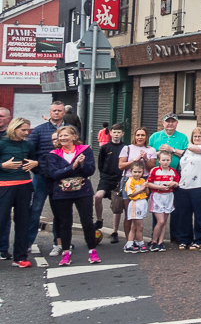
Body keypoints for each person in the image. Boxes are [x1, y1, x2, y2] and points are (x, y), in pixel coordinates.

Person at [45, 126, 99, 266]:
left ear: (74, 137)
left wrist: (81, 165)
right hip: (61, 192)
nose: (62, 138)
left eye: (65, 135)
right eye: (60, 136)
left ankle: (92, 251)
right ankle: (65, 254)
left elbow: (90, 171)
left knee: (87, 221)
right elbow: (54, 174)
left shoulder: (85, 150)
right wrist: (73, 167)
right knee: (64, 223)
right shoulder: (53, 154)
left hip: (83, 191)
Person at [26, 101, 67, 250]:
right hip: (41, 177)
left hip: (61, 178)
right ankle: (27, 242)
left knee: (60, 211)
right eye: (54, 110)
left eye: (59, 110)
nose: (56, 113)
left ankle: (59, 242)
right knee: (35, 209)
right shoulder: (38, 130)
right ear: (50, 112)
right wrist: (37, 170)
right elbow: (30, 152)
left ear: (64, 112)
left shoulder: (71, 129)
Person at [0, 117, 39, 267]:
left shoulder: (28, 145)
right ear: (14, 128)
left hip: (25, 186)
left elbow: (35, 167)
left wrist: (36, 163)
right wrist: (3, 165)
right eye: (23, 130)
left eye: (28, 130)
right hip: (5, 186)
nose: (26, 133)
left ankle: (20, 257)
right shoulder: (2, 144)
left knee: (23, 222)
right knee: (2, 221)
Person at [149, 114, 189, 245]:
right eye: (168, 122)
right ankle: (155, 235)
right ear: (163, 123)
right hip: (158, 174)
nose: (170, 124)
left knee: (175, 205)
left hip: (176, 172)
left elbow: (187, 154)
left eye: (173, 122)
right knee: (158, 206)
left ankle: (175, 235)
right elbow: (149, 152)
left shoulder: (182, 137)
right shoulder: (155, 136)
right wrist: (158, 153)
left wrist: (171, 150)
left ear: (176, 123)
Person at [176, 128, 201, 250]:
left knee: (199, 215)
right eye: (195, 136)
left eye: (199, 137)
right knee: (184, 215)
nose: (197, 139)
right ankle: (185, 239)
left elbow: (192, 148)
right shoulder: (187, 151)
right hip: (184, 186)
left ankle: (198, 239)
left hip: (200, 186)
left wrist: (188, 145)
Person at [94, 123, 126, 243]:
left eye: (119, 132)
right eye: (114, 132)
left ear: (122, 134)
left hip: (119, 179)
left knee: (116, 205)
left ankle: (114, 232)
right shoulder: (105, 148)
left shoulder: (125, 147)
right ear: (111, 133)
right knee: (98, 196)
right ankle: (99, 220)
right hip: (106, 178)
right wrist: (103, 176)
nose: (116, 134)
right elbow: (100, 164)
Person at [146, 151, 178, 252]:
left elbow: (177, 183)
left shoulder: (173, 171)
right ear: (159, 161)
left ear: (170, 161)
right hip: (157, 197)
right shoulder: (154, 170)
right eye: (163, 160)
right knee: (160, 221)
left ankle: (161, 242)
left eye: (167, 160)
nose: (165, 162)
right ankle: (154, 241)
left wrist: (173, 183)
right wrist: (159, 187)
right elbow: (148, 184)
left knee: (164, 222)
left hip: (168, 197)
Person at [123, 161, 150, 253]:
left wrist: (146, 187)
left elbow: (147, 193)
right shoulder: (130, 181)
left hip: (142, 203)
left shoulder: (142, 181)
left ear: (142, 172)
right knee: (139, 225)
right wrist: (141, 188)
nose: (137, 174)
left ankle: (130, 244)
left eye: (139, 172)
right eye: (135, 172)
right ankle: (141, 243)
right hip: (135, 203)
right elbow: (131, 194)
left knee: (134, 226)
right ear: (131, 171)